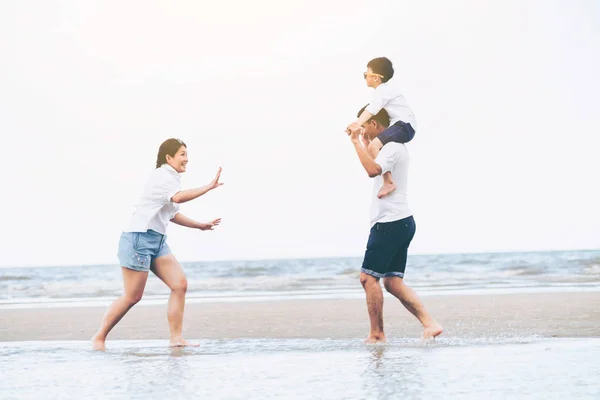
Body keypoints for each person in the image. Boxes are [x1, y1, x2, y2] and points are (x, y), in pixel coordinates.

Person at [92, 138, 223, 350]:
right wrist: (208, 187)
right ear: (168, 157)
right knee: (132, 296)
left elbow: (171, 214)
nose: (186, 159)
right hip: (139, 238)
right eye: (182, 154)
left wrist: (200, 226)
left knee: (179, 285)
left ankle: (176, 339)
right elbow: (178, 199)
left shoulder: (171, 179)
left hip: (157, 241)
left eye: (186, 154)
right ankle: (99, 337)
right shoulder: (162, 176)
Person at [347, 106, 442, 343]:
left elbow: (371, 170)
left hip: (390, 222)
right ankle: (430, 324)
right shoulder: (388, 148)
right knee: (392, 282)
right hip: (399, 221)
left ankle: (377, 334)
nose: (365, 132)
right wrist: (362, 142)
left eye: (366, 126)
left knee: (368, 278)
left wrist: (356, 141)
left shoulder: (390, 148)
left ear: (376, 124)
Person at [347, 57, 417, 199]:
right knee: (372, 146)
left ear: (376, 77)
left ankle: (388, 181)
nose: (365, 77)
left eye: (366, 74)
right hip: (402, 125)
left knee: (374, 147)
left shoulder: (384, 90)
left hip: (404, 125)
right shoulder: (385, 91)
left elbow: (372, 109)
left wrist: (357, 124)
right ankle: (388, 180)